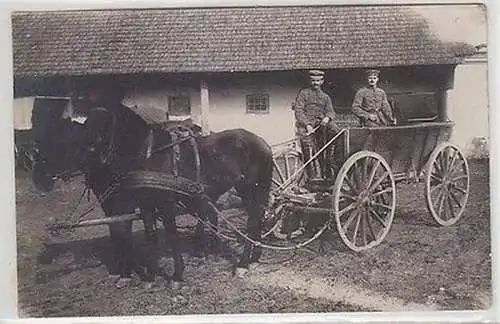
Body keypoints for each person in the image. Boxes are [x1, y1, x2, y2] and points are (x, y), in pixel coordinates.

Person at [293, 70, 340, 180]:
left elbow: (331, 111)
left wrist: (327, 118)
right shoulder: (303, 94)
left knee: (332, 134)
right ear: (310, 81)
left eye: (318, 81)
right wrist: (307, 124)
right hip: (305, 126)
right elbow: (298, 111)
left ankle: (329, 167)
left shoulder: (325, 97)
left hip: (320, 126)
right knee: (308, 150)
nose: (316, 83)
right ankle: (312, 177)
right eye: (313, 81)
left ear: (322, 81)